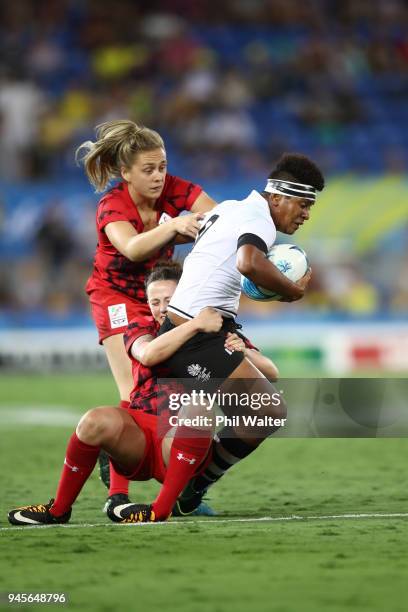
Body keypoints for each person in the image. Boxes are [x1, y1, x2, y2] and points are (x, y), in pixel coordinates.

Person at [107, 152, 325, 521]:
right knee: (267, 411)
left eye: (309, 207)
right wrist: (291, 291)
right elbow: (248, 263)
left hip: (207, 328)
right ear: (277, 197)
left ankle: (182, 480)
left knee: (253, 412)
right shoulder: (258, 219)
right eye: (302, 204)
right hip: (194, 333)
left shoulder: (230, 208)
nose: (305, 214)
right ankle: (179, 482)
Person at [8, 263, 277, 526]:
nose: (160, 308)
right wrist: (194, 325)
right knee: (93, 420)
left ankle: (161, 509)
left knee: (200, 407)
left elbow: (271, 373)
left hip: (182, 441)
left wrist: (242, 351)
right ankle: (57, 510)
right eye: (154, 301)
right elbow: (148, 354)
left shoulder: (216, 330)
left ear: (184, 297)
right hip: (139, 437)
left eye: (168, 300)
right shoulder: (142, 326)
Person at [76, 119, 217, 503]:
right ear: (126, 173)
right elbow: (133, 249)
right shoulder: (112, 205)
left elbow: (216, 218)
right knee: (133, 390)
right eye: (148, 170)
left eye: (163, 167)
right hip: (116, 298)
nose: (159, 177)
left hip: (161, 294)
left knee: (174, 386)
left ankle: (182, 477)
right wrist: (178, 227)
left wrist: (209, 227)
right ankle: (118, 494)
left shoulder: (176, 190)